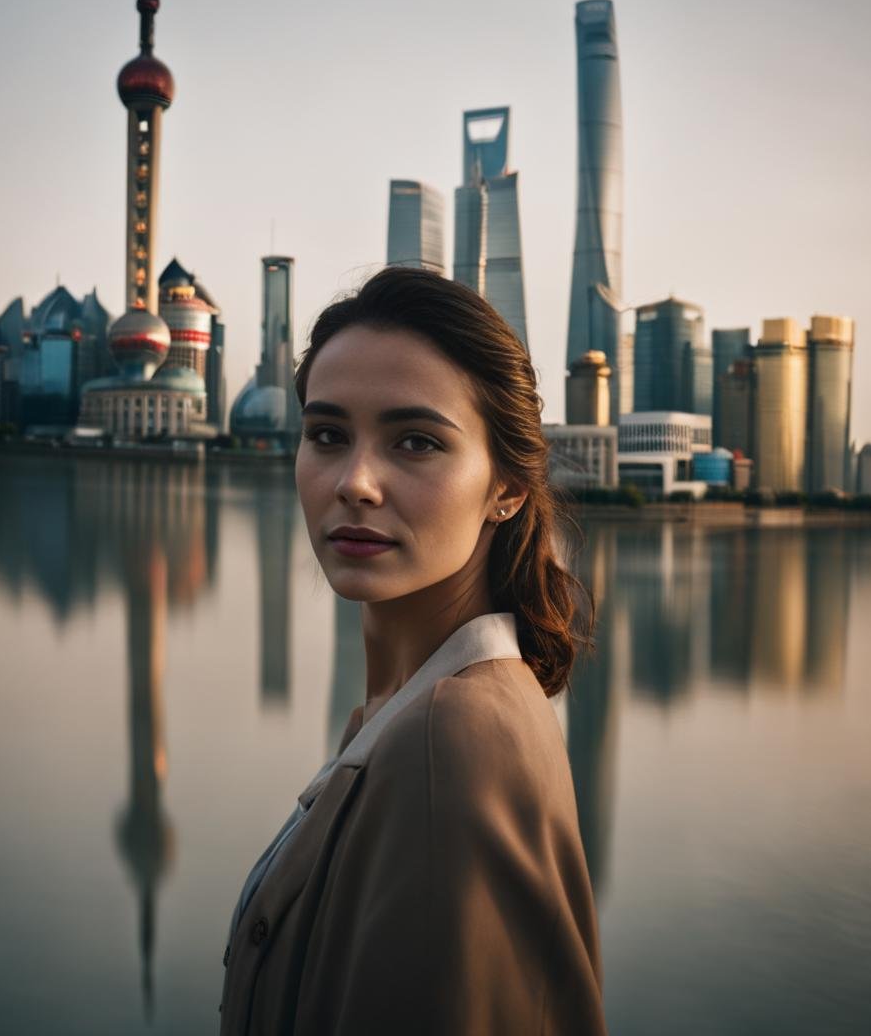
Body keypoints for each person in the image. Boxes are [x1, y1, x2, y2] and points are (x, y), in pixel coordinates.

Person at [218, 266, 607, 1036]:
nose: (354, 482)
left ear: (507, 487)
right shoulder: (423, 709)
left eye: (417, 442)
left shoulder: (451, 740)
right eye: (328, 434)